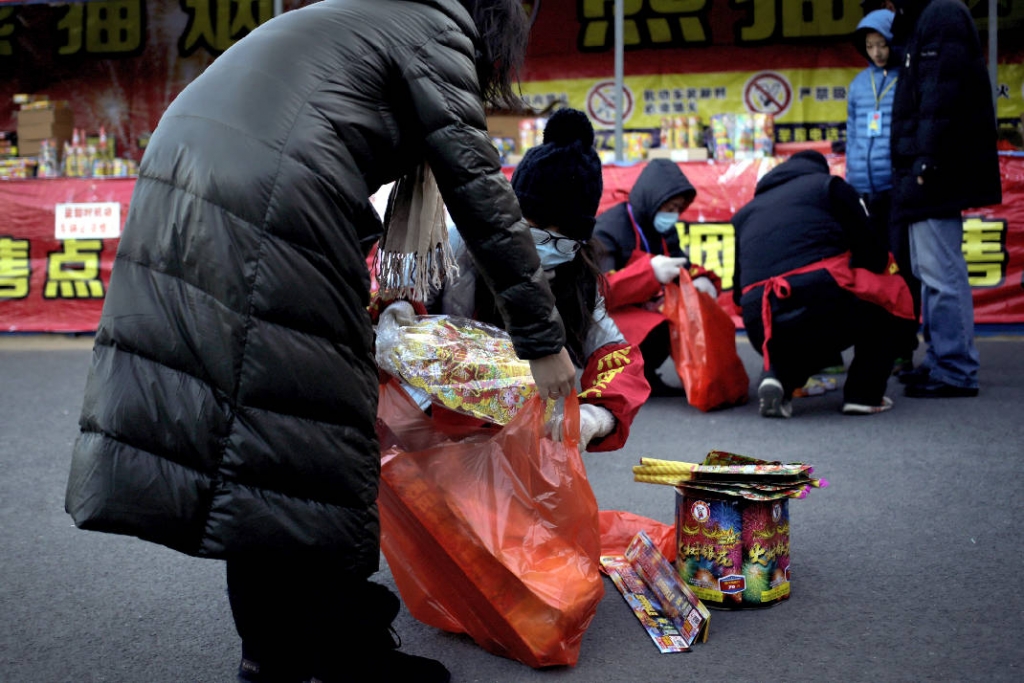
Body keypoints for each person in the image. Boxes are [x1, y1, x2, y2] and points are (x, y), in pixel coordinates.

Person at [63, 2, 578, 682]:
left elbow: (311, 125)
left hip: (181, 170)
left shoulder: (366, 13)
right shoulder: (438, 26)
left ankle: (272, 649)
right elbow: (478, 187)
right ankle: (346, 652)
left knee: (262, 437)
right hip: (270, 195)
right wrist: (542, 340)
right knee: (322, 431)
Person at [382, 108, 651, 450]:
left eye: (564, 236)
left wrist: (597, 415)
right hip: (435, 422)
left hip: (524, 433)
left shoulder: (581, 277)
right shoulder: (457, 245)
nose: (546, 247)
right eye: (534, 228)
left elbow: (615, 354)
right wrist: (398, 310)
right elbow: (404, 294)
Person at [732, 151, 915, 418]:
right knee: (885, 297)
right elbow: (872, 255)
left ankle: (779, 378)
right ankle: (864, 395)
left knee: (802, 329)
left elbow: (738, 290)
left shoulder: (746, 213)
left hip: (760, 321)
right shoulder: (829, 187)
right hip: (818, 301)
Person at [889, 0, 1003, 398]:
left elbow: (940, 95)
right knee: (929, 271)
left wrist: (926, 161)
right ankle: (942, 360)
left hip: (933, 171)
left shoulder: (939, 15)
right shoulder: (929, 17)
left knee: (941, 273)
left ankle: (954, 368)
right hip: (927, 168)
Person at [592, 158, 721, 396]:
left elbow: (682, 264)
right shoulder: (610, 228)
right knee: (656, 326)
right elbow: (598, 291)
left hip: (643, 306)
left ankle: (647, 373)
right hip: (603, 315)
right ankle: (615, 378)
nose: (673, 216)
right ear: (652, 199)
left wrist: (702, 280)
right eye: (669, 208)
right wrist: (649, 273)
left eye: (678, 209)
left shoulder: (663, 229)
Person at [846, 8, 921, 376]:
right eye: (870, 45)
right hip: (864, 190)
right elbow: (854, 135)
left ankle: (903, 348)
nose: (877, 52)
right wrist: (852, 183)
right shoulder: (859, 84)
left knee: (902, 270)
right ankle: (871, 348)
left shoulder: (908, 77)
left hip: (897, 190)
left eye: (882, 44)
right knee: (869, 271)